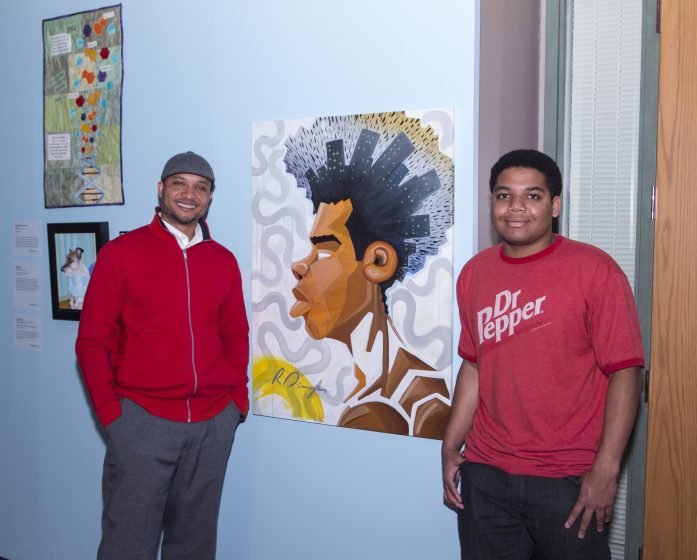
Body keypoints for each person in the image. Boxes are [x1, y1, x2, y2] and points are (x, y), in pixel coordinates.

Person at [442, 149, 644, 558]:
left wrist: (605, 472)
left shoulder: (595, 271)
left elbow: (626, 371)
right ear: (491, 203)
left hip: (567, 481)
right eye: (504, 195)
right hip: (485, 476)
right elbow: (475, 364)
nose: (516, 207)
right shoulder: (475, 273)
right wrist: (450, 445)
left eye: (532, 196)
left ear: (554, 206)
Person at [76, 151, 249, 560]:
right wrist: (114, 418)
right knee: (127, 545)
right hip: (142, 423)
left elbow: (236, 335)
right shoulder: (123, 254)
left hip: (211, 426)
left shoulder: (223, 261)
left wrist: (235, 404)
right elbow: (91, 341)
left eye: (200, 187)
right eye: (179, 184)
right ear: (161, 190)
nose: (189, 195)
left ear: (209, 197)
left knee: (193, 547)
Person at [283, 115, 454, 438]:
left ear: (377, 261)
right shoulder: (379, 389)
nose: (299, 266)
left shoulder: (411, 407)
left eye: (324, 248)